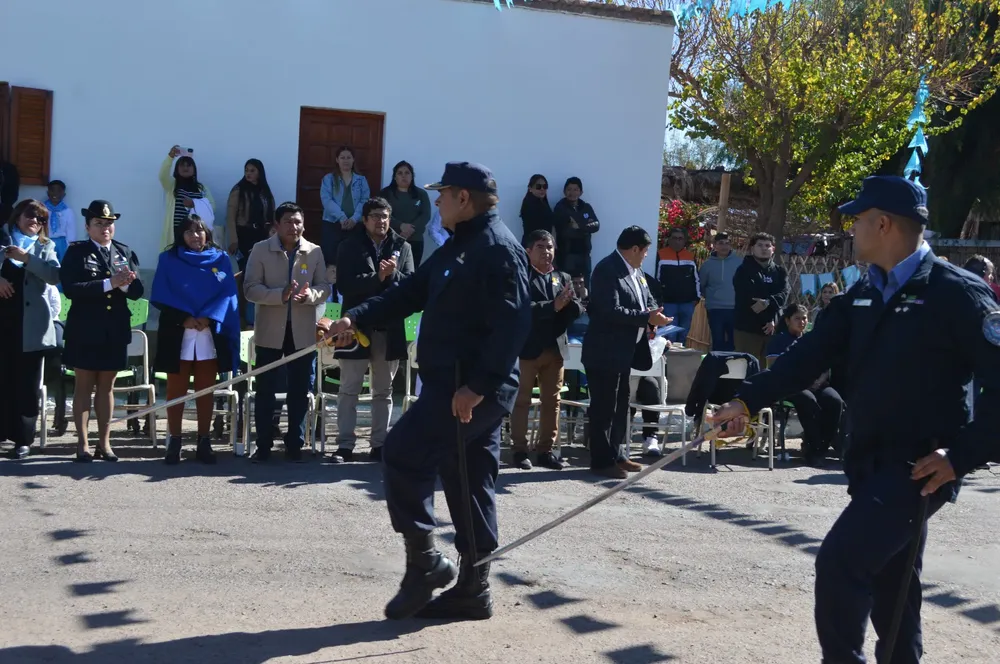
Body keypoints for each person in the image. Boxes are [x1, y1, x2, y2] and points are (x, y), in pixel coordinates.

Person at [710, 176, 1000, 664]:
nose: (851, 230)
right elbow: (808, 356)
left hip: (918, 469)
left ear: (883, 224)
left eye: (858, 220)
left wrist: (963, 455)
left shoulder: (958, 294)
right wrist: (747, 401)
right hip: (867, 463)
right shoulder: (863, 293)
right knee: (894, 590)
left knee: (841, 562)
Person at [319, 161, 531, 622]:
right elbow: (408, 292)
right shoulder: (459, 246)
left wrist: (476, 388)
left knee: (402, 451)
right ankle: (473, 588)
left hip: (469, 388)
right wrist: (353, 317)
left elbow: (514, 326)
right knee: (470, 480)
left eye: (443, 193)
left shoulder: (497, 248)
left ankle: (426, 562)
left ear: (464, 199)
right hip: (455, 385)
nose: (435, 200)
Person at [244, 201, 331, 463]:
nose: (294, 227)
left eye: (298, 222)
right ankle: (264, 444)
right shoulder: (260, 249)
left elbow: (325, 287)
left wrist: (310, 296)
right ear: (276, 225)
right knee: (266, 389)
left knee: (299, 389)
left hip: (303, 330)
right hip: (271, 330)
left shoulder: (314, 251)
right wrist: (278, 296)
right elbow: (249, 288)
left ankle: (295, 443)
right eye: (288, 222)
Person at [151, 214, 240, 465]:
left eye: (199, 230)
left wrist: (209, 318)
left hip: (208, 332)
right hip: (178, 330)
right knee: (175, 391)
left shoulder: (221, 259)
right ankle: (175, 441)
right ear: (181, 235)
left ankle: (204, 441)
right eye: (189, 232)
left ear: (207, 233)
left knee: (205, 390)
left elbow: (227, 294)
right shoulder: (167, 259)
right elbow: (161, 292)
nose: (195, 236)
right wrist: (184, 318)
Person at [582, 226, 670, 479]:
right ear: (633, 249)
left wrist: (655, 315)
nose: (645, 256)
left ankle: (617, 453)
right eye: (644, 252)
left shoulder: (636, 271)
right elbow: (609, 310)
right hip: (604, 351)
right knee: (604, 408)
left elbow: (647, 299)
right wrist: (646, 317)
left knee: (621, 406)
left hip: (625, 352)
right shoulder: (607, 269)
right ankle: (601, 461)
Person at [332, 197, 414, 463]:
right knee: (348, 389)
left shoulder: (403, 247)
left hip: (388, 328)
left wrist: (391, 276)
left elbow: (411, 287)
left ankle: (379, 444)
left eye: (386, 216)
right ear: (365, 220)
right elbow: (345, 285)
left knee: (384, 391)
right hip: (355, 327)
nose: (381, 221)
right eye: (376, 216)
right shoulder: (349, 245)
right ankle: (344, 445)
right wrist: (376, 277)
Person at [60, 200, 143, 462]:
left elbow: (138, 291)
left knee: (107, 386)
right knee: (83, 385)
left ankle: (104, 443)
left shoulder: (124, 252)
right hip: (85, 328)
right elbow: (71, 288)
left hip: (115, 328)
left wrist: (126, 285)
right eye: (99, 223)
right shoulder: (77, 252)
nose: (105, 228)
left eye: (109, 224)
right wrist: (109, 283)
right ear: (88, 226)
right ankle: (82, 443)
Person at [510, 229, 583, 471]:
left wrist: (574, 304)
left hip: (555, 348)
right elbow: (520, 310)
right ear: (528, 251)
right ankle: (519, 450)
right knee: (521, 401)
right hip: (528, 348)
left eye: (550, 247)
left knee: (553, 402)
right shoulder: (521, 276)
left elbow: (573, 310)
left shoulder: (562, 277)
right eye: (540, 247)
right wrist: (553, 306)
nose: (547, 252)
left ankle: (546, 451)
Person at [0, 200, 62, 459]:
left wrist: (26, 258)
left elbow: (53, 276)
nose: (34, 222)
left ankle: (22, 440)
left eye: (40, 219)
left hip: (31, 326)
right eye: (30, 216)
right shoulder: (2, 241)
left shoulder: (46, 247)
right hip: (4, 321)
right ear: (17, 217)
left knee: (27, 385)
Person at [766, 304, 843, 465]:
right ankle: (813, 448)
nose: (802, 322)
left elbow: (825, 366)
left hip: (816, 383)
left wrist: (819, 380)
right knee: (808, 402)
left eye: (804, 318)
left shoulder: (812, 339)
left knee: (834, 401)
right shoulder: (778, 341)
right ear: (787, 321)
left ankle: (821, 447)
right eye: (797, 318)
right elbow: (774, 367)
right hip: (790, 385)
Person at [226, 159, 276, 326]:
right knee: (245, 276)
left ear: (259, 172)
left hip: (261, 236)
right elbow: (230, 216)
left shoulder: (264, 191)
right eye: (247, 170)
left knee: (261, 276)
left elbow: (271, 216)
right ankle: (241, 317)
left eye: (252, 170)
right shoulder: (238, 190)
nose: (248, 173)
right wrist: (233, 240)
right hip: (244, 236)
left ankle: (256, 318)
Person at [319, 146, 370, 293]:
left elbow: (364, 200)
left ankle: (346, 295)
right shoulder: (328, 179)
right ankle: (329, 296)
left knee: (351, 261)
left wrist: (354, 219)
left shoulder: (361, 180)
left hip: (356, 225)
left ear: (353, 160)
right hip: (333, 224)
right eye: (342, 157)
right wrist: (341, 217)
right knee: (331, 261)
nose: (346, 161)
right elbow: (326, 200)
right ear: (337, 160)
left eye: (349, 157)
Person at [733, 231, 788, 367]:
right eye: (760, 245)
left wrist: (770, 311)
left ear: (773, 249)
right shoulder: (743, 271)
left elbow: (784, 294)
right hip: (747, 328)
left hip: (772, 329)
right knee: (746, 368)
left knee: (769, 370)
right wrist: (767, 314)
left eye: (768, 245)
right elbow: (750, 298)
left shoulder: (780, 272)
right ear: (752, 248)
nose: (764, 248)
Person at [159, 146, 217, 252]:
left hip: (196, 233)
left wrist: (194, 203)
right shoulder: (172, 185)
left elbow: (212, 207)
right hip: (176, 231)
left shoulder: (201, 188)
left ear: (194, 169)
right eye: (182, 165)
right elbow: (162, 176)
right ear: (177, 169)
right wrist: (170, 157)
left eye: (189, 165)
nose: (185, 167)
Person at [380, 161, 431, 267]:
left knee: (412, 273)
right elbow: (382, 214)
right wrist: (400, 226)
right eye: (400, 173)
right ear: (394, 177)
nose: (404, 176)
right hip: (391, 239)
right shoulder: (385, 193)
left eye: (407, 173)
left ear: (412, 176)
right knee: (391, 272)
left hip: (415, 240)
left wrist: (410, 229)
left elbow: (426, 215)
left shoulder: (421, 194)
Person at [553, 177, 599, 288]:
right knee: (568, 286)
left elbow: (596, 225)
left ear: (581, 192)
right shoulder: (560, 208)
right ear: (564, 191)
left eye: (575, 189)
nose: (572, 193)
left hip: (585, 254)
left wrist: (579, 226)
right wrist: (585, 228)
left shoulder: (586, 207)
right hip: (567, 255)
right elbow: (565, 232)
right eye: (569, 189)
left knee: (585, 286)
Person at [656, 227, 700, 343]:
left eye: (680, 238)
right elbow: (656, 279)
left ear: (684, 240)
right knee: (669, 336)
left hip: (687, 304)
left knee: (683, 337)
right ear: (669, 239)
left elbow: (696, 279)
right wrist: (659, 299)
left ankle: (679, 361)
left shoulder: (690, 256)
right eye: (674, 238)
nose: (677, 241)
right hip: (668, 303)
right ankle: (668, 360)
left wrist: (697, 298)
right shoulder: (660, 255)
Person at [699, 232, 741, 351]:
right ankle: (717, 368)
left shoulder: (739, 263)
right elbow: (702, 285)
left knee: (734, 342)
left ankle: (732, 368)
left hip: (735, 309)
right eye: (721, 243)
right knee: (717, 341)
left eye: (727, 243)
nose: (724, 246)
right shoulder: (707, 265)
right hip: (715, 309)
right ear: (714, 245)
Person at [43, 180, 76, 261]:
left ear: (64, 194)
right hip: (45, 241)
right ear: (48, 193)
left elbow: (71, 231)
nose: (55, 193)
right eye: (52, 190)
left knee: (62, 265)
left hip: (62, 244)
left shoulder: (67, 211)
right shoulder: (42, 208)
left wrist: (70, 247)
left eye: (59, 191)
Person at [519, 174, 555, 242]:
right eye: (538, 186)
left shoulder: (543, 203)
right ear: (530, 188)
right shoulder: (530, 205)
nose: (542, 189)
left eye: (545, 186)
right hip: (534, 244)